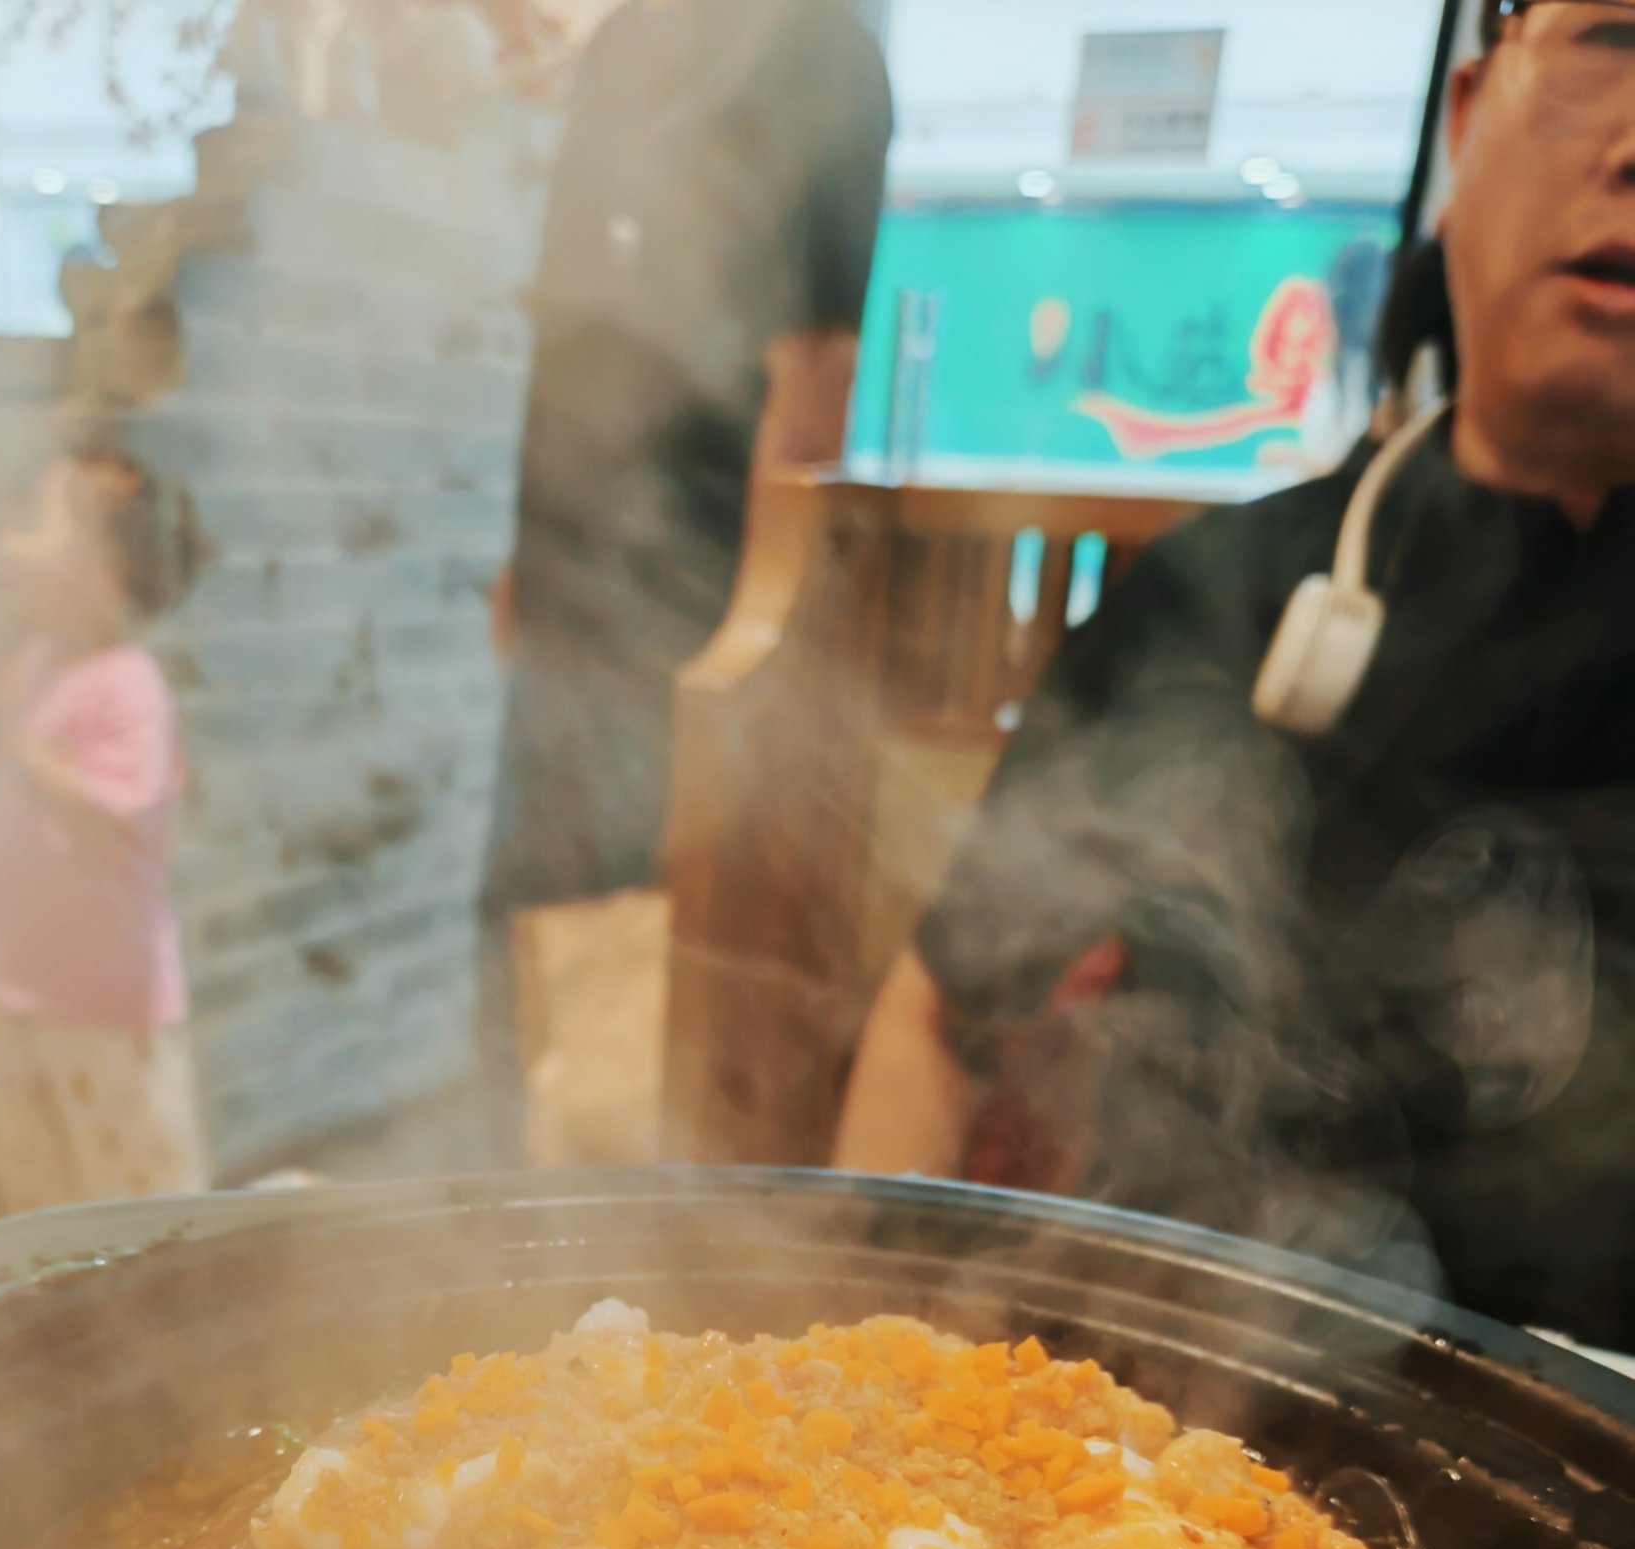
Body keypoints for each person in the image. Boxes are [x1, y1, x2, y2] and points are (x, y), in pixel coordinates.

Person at [837, 0, 1635, 1351]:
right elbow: (934, 1010)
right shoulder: (1222, 601)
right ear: (1465, 123)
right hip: (1157, 1438)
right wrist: (854, 1369)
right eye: (1614, 48)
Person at [481, 0, 893, 1104]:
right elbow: (551, 320)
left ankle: (638, 1233)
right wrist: (512, 566)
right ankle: (544, 1212)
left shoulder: (824, 50)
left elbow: (815, 364)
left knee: (653, 970)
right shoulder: (623, 43)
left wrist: (751, 631)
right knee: (531, 945)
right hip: (568, 567)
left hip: (690, 596)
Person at [0, 443, 210, 1213]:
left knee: (137, 1192)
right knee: (35, 1183)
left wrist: (34, 755)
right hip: (20, 984)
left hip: (105, 1006)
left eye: (30, 524)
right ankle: (66, 1309)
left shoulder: (129, 682)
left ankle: (166, 1316)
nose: (4, 546)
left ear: (105, 572)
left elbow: (120, 808)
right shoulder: (41, 658)